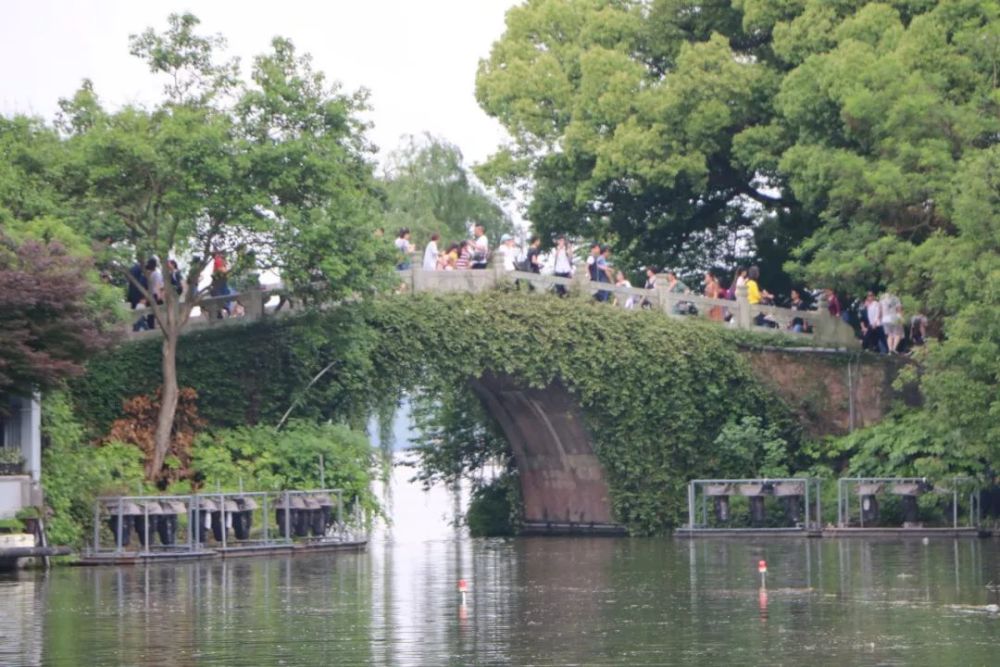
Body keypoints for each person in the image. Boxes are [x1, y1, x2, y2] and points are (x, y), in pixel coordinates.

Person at [127, 260, 149, 332]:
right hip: (141, 300)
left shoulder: (132, 281)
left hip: (134, 300)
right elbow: (146, 288)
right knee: (140, 317)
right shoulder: (143, 278)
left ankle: (137, 329)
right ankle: (144, 329)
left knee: (136, 318)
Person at [144, 258, 164, 329]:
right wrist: (160, 295)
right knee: (159, 312)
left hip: (151, 295)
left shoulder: (149, 274)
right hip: (155, 295)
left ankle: (151, 327)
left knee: (151, 314)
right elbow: (159, 286)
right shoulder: (156, 274)